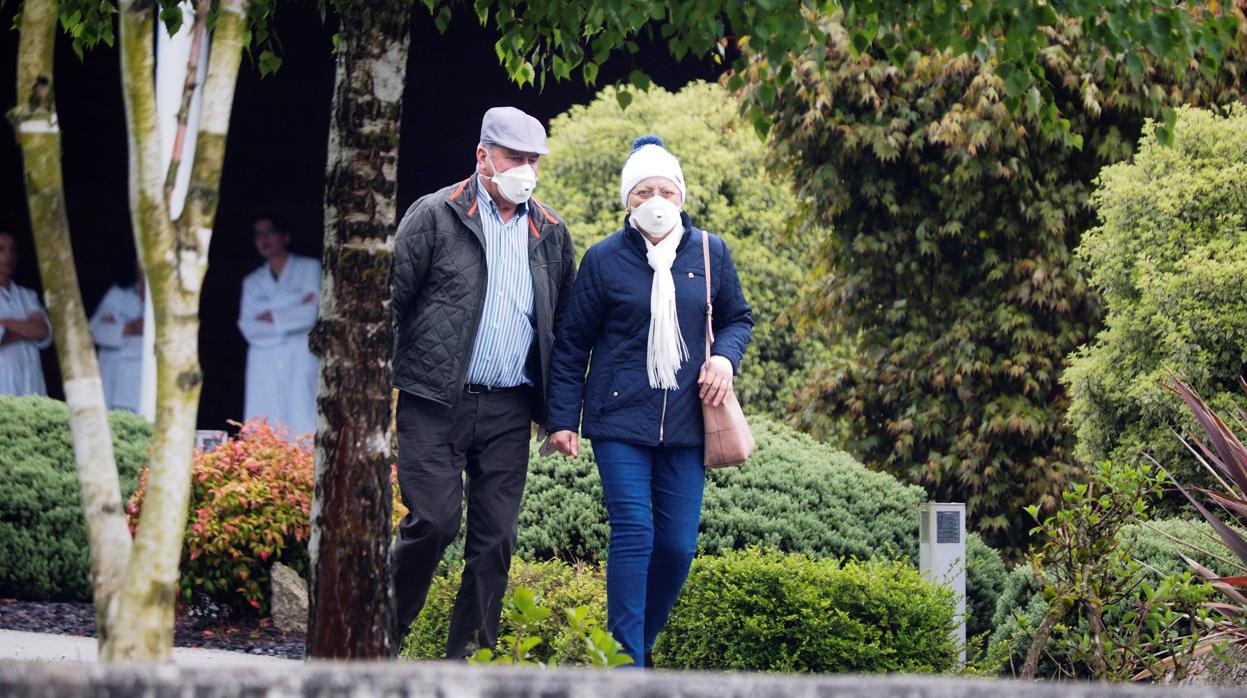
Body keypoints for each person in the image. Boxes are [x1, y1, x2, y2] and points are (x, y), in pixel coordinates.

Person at [544, 135, 753, 668]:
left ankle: (628, 650)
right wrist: (561, 420)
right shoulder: (604, 260)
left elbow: (736, 320)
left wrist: (726, 359)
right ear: (627, 200)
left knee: (678, 548)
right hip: (618, 422)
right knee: (635, 534)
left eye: (666, 189)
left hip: (687, 423)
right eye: (643, 191)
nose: (656, 200)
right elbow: (571, 344)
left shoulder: (711, 252)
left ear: (681, 195)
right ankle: (627, 671)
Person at [390, 106, 577, 658]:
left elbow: (562, 329)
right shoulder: (435, 215)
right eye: (514, 157)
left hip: (508, 408)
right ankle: (381, 638)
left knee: (495, 541)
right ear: (483, 157)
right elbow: (390, 301)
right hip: (433, 400)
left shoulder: (550, 231)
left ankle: (470, 663)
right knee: (434, 522)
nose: (525, 169)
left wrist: (561, 415)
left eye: (532, 160)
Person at [237, 215, 321, 437]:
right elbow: (248, 327)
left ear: (285, 236)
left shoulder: (310, 268)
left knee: (302, 410)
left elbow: (310, 315)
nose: (264, 239)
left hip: (300, 354)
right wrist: (291, 311)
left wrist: (270, 316)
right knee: (263, 415)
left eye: (269, 232)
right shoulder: (252, 282)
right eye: (258, 235)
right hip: (263, 360)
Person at [0, 230, 52, 396]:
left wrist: (4, 324)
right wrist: (28, 329)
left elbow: (43, 331)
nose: (8, 255)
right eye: (1, 249)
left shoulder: (27, 295)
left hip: (31, 385)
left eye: (12, 249)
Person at [89, 259, 145, 412]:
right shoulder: (119, 293)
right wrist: (133, 327)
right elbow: (96, 331)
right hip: (112, 388)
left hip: (143, 390)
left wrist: (118, 326)